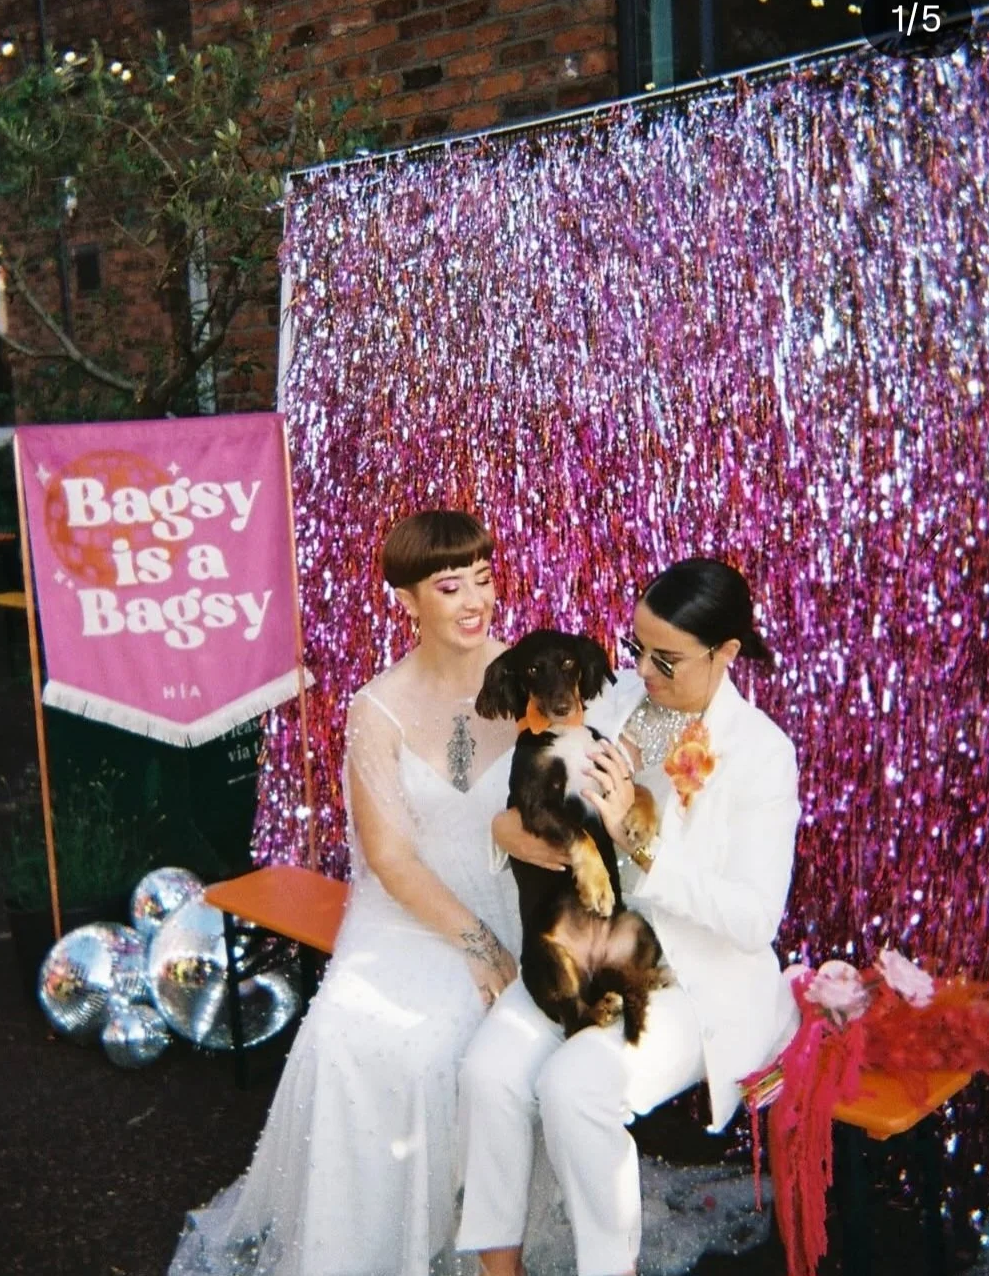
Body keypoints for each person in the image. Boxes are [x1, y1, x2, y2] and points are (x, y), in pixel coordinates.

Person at [169, 510, 522, 1276]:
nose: (474, 601)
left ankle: (475, 1229)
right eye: (449, 584)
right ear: (405, 601)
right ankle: (358, 1249)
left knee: (436, 1048)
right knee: (342, 1035)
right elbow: (391, 858)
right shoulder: (378, 707)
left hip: (511, 905)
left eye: (484, 579)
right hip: (409, 921)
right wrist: (477, 944)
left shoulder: (528, 676)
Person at [456, 558, 801, 1276]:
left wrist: (638, 839)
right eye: (636, 647)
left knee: (575, 1087)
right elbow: (520, 792)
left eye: (665, 657)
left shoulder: (762, 754)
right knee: (488, 1070)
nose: (642, 667)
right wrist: (505, 831)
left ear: (726, 652)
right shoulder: (614, 704)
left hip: (687, 976)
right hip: (581, 945)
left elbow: (753, 918)